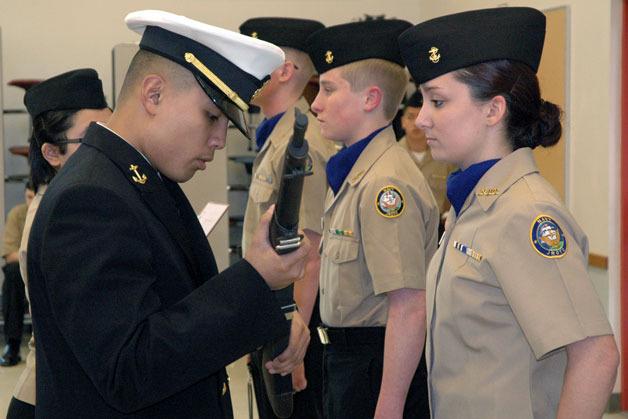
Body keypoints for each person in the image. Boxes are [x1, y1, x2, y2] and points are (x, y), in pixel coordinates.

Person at [26, 10, 311, 419]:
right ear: (153, 94)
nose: (217, 140)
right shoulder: (91, 199)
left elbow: (179, 305)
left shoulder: (139, 179)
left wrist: (269, 309)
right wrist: (255, 281)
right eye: (211, 116)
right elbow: (129, 368)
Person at [398, 7, 619, 419]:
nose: (422, 117)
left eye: (438, 101)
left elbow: (596, 356)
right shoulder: (473, 206)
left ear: (493, 110)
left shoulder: (524, 212)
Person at [306, 19, 439, 419]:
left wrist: (389, 404)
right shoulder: (354, 171)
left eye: (328, 90)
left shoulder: (385, 185)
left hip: (377, 367)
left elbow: (409, 306)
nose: (315, 104)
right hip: (349, 361)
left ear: (370, 99)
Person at [238, 17, 336, 419]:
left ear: (284, 71)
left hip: (289, 323)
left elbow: (309, 252)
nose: (241, 69)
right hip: (269, 315)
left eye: (252, 59)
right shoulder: (274, 135)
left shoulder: (304, 143)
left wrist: (292, 341)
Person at [6, 68, 113, 419]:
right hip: (49, 395)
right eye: (92, 138)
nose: (109, 149)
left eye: (112, 133)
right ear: (52, 153)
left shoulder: (76, 197)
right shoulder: (60, 214)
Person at [399, 90, 455, 224]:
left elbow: (452, 197)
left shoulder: (446, 158)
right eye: (411, 117)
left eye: (419, 116)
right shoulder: (390, 157)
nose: (416, 123)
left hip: (438, 229)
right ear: (402, 121)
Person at [1, 183, 34, 367]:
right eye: (29, 197)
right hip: (24, 269)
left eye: (35, 197)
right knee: (12, 273)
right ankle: (12, 345)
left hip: (48, 270)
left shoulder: (53, 209)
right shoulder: (17, 214)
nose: (32, 202)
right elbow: (9, 254)